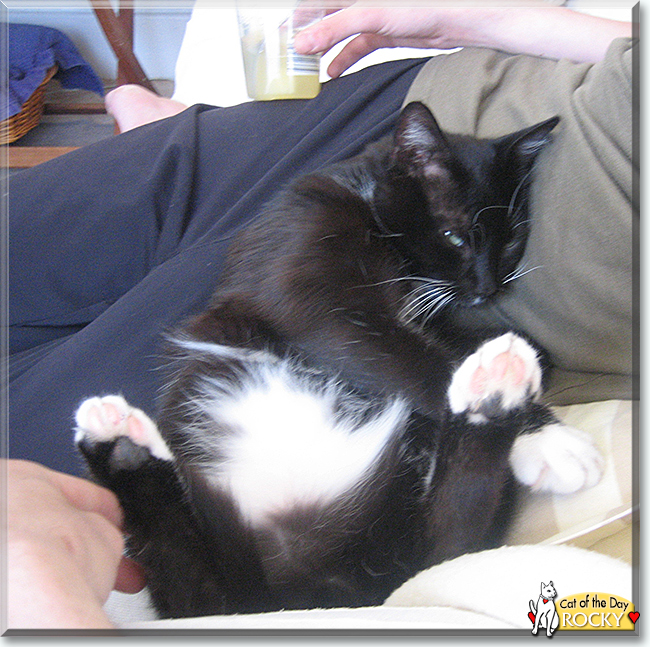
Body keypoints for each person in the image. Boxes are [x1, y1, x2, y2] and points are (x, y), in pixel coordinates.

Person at [5, 4, 635, 628]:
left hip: (282, 365)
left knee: (30, 445)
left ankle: (164, 129)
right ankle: (162, 122)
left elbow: (317, 318)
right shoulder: (365, 215)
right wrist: (481, 20)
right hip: (407, 110)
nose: (485, 283)